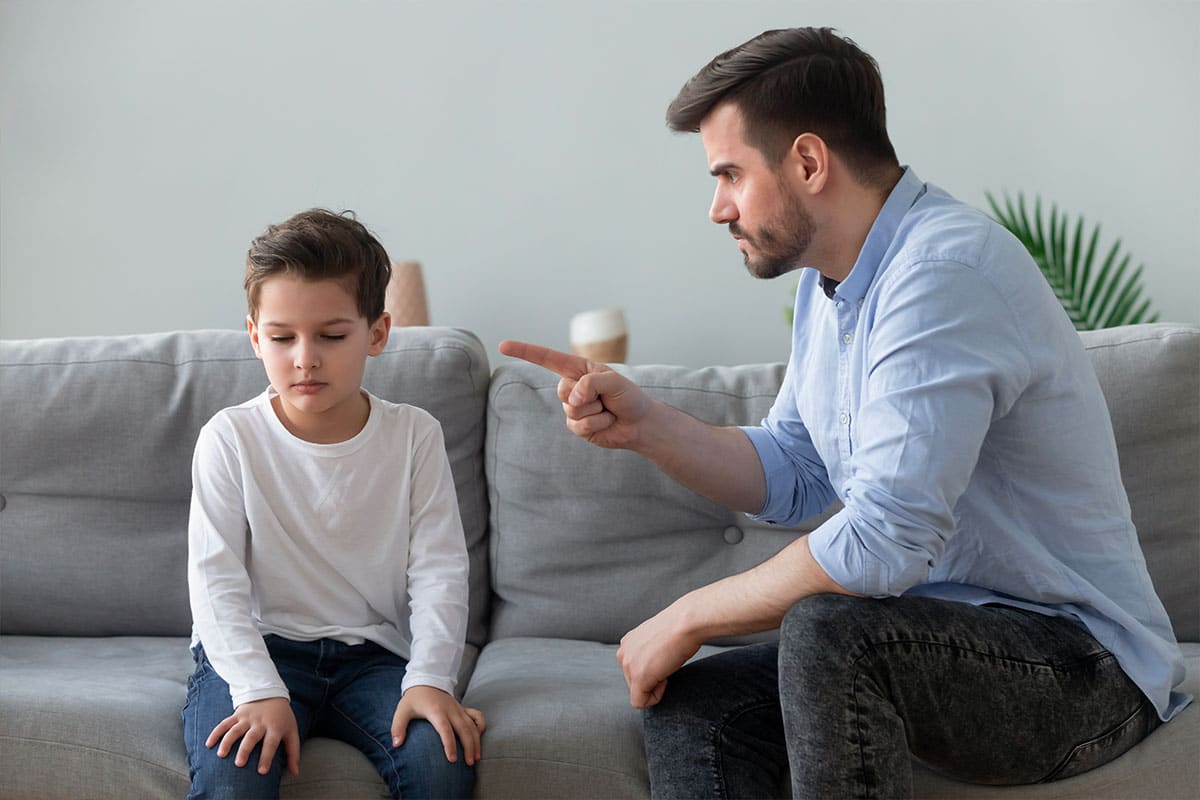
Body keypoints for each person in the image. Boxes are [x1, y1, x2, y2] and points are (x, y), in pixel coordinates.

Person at [500, 26, 1189, 799]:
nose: (717, 208)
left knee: (830, 632)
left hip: (1080, 666)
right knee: (701, 703)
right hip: (929, 644)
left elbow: (884, 540)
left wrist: (689, 614)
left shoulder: (943, 273)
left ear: (807, 162)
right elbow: (795, 472)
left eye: (730, 174)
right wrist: (648, 426)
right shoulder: (827, 287)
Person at [183, 209, 484, 799]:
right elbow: (215, 581)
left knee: (441, 764)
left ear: (377, 333)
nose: (305, 358)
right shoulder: (229, 438)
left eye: (332, 335)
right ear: (255, 337)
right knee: (233, 776)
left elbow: (440, 571)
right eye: (282, 338)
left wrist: (430, 679)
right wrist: (257, 689)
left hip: (374, 658)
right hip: (259, 648)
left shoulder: (414, 435)